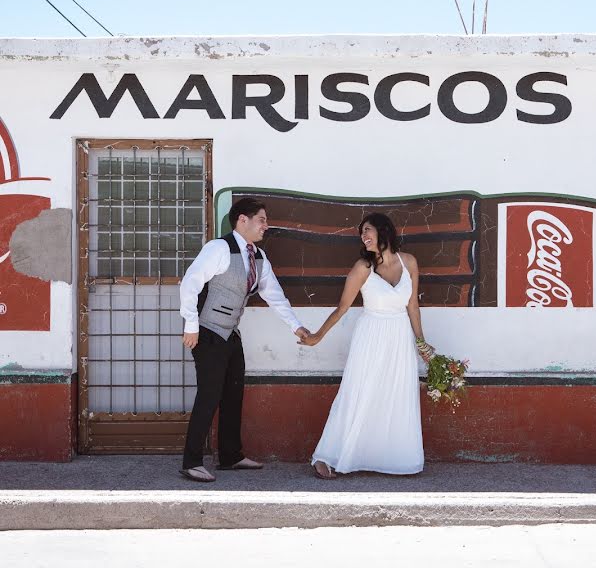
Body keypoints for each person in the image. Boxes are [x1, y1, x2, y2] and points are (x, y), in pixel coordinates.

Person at [179, 197, 309, 483]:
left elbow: (274, 295)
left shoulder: (258, 257)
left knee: (234, 392)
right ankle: (191, 461)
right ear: (242, 220)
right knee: (209, 394)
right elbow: (191, 282)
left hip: (230, 333)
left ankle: (230, 456)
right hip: (207, 330)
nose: (266, 225)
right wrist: (190, 325)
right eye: (261, 219)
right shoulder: (218, 248)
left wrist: (296, 327)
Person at [302, 212, 435, 479]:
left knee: (396, 394)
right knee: (358, 393)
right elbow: (342, 309)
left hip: (399, 337)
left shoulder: (408, 262)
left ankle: (393, 458)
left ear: (384, 231)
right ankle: (327, 456)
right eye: (362, 232)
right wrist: (317, 336)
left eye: (368, 230)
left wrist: (421, 342)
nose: (364, 236)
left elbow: (412, 306)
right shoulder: (363, 267)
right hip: (371, 336)